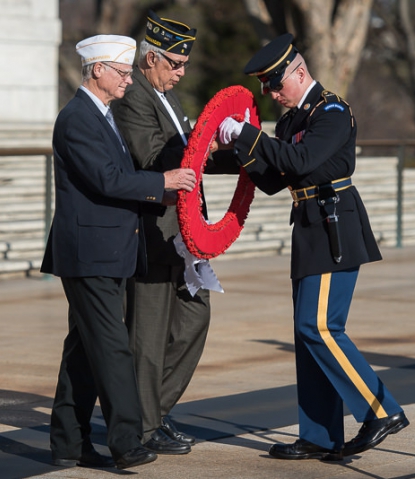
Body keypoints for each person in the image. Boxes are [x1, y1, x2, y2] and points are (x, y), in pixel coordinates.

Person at [218, 33, 409, 460]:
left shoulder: (332, 112)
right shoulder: (290, 122)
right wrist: (220, 148)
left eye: (274, 83)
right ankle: (320, 435)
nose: (270, 93)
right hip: (308, 227)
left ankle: (381, 411)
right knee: (306, 336)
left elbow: (301, 162)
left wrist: (247, 135)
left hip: (333, 225)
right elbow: (272, 179)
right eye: (265, 86)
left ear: (299, 72)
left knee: (319, 327)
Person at [40, 34, 198, 470]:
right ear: (97, 71)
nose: (129, 80)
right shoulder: (77, 119)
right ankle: (126, 440)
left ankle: (68, 443)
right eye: (123, 73)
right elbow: (107, 179)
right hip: (89, 252)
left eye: (130, 72)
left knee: (84, 349)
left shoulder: (103, 116)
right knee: (112, 347)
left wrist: (158, 196)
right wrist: (161, 184)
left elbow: (117, 180)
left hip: (108, 250)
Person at [111, 10, 238, 455]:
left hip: (183, 233)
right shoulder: (134, 97)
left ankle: (151, 412)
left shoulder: (167, 96)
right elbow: (150, 154)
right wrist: (204, 143)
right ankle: (143, 426)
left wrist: (237, 151)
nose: (182, 72)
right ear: (150, 59)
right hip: (152, 231)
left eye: (185, 64)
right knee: (147, 335)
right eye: (174, 63)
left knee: (193, 320)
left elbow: (193, 154)